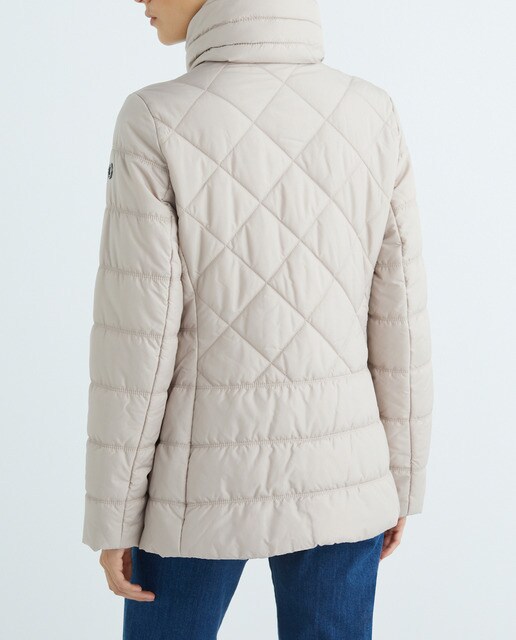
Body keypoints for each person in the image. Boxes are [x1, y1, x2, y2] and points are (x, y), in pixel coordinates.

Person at [82, 0, 434, 638]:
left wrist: (115, 516)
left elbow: (137, 344)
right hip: (344, 478)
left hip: (194, 491)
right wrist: (399, 483)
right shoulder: (371, 111)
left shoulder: (155, 118)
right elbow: (400, 318)